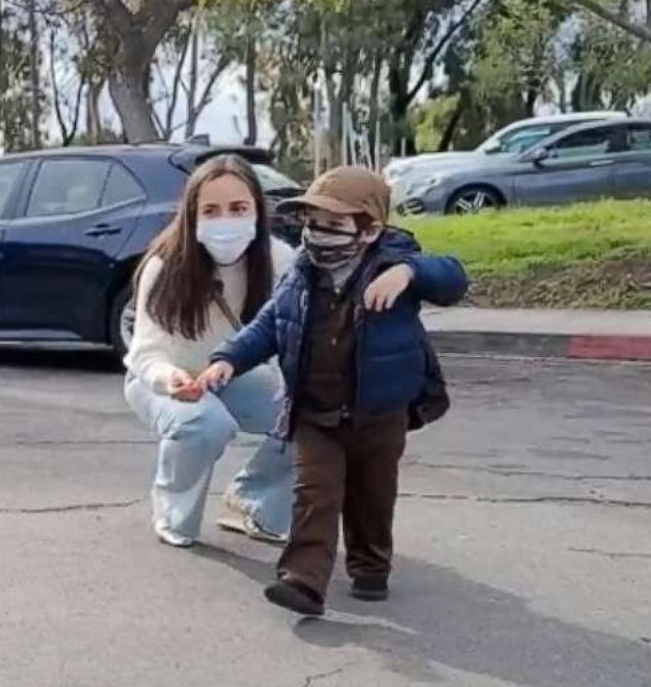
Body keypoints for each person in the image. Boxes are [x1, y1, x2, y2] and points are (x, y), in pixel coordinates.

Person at [198, 166, 468, 616]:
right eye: (312, 224)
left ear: (371, 229)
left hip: (379, 413)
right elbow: (269, 324)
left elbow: (453, 279)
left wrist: (407, 271)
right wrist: (226, 359)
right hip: (314, 411)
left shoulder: (394, 266)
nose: (319, 235)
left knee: (372, 496)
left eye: (334, 225)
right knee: (313, 495)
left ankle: (370, 567)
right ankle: (303, 580)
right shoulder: (303, 272)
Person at [123, 154, 297, 549]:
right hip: (163, 381)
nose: (226, 221)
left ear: (257, 209)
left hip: (231, 375)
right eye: (211, 210)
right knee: (205, 424)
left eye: (238, 209)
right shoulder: (164, 265)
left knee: (310, 415)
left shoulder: (279, 260)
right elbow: (144, 354)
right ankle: (173, 513)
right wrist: (170, 380)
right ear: (192, 215)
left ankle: (255, 502)